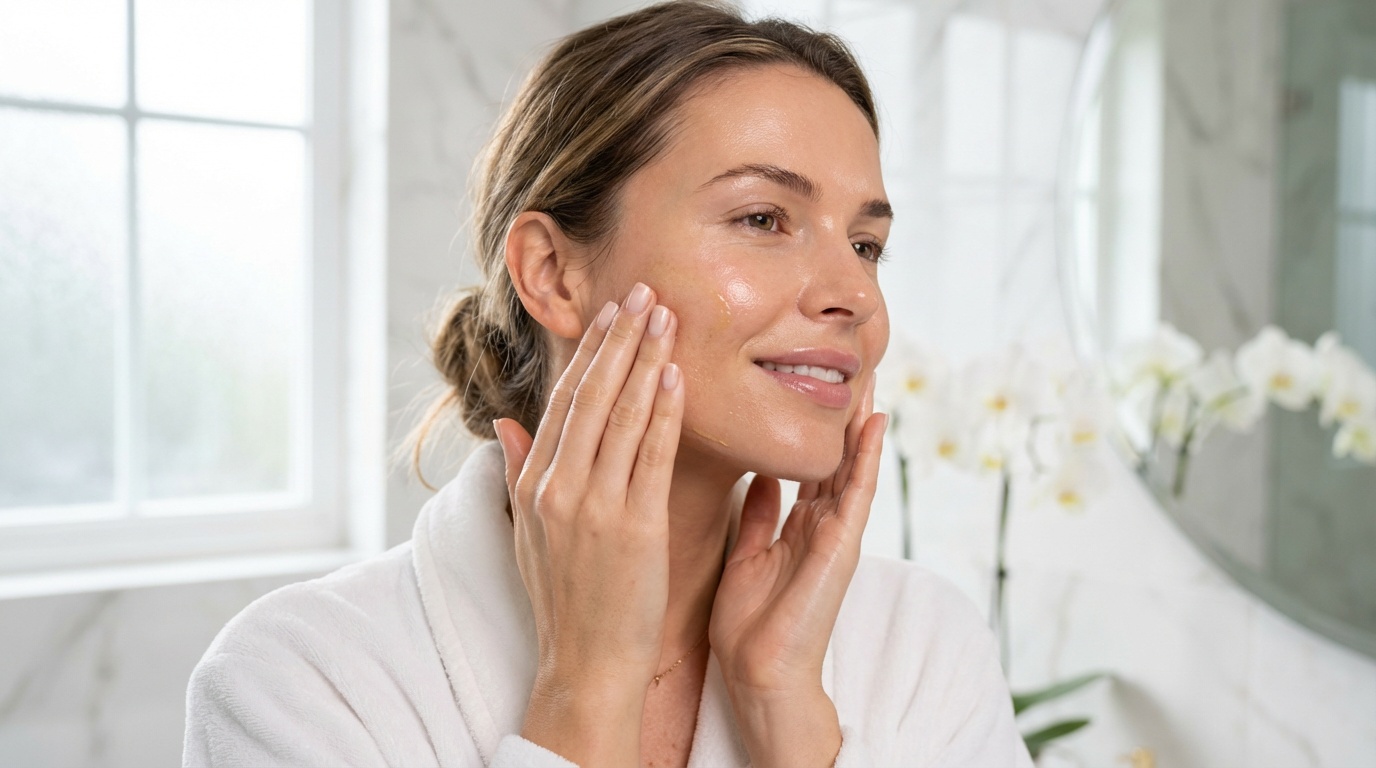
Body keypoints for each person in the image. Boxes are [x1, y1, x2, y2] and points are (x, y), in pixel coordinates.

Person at [183, 2, 1034, 766]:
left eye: (866, 244)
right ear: (552, 272)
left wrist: (791, 721)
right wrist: (586, 687)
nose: (856, 294)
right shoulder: (298, 680)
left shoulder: (924, 648)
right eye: (762, 219)